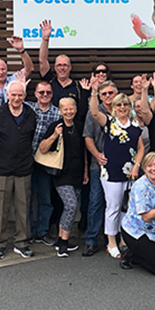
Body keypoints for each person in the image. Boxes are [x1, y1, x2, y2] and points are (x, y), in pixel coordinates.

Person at [89, 75, 144, 259]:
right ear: (114, 107)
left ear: (129, 107)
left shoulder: (135, 125)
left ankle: (123, 239)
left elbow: (140, 148)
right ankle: (111, 242)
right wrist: (94, 92)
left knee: (125, 208)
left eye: (125, 105)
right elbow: (94, 112)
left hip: (129, 173)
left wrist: (137, 165)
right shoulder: (109, 122)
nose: (122, 108)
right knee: (112, 207)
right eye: (118, 105)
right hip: (111, 172)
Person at [0, 81, 37, 260]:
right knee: (1, 208)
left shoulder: (30, 114)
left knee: (23, 207)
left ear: (24, 96)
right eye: (13, 94)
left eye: (20, 95)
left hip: (23, 168)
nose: (16, 98)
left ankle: (22, 243)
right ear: (7, 95)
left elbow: (32, 137)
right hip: (1, 169)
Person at [39, 98, 88, 257]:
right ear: (60, 110)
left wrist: (85, 172)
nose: (68, 112)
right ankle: (63, 243)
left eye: (71, 108)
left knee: (70, 208)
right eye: (65, 109)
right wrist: (54, 135)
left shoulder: (79, 125)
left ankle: (61, 239)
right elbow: (42, 148)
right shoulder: (56, 126)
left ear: (75, 109)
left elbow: (84, 151)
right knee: (71, 205)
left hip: (77, 173)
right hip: (61, 174)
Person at [82, 78, 118, 256]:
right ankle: (91, 239)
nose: (108, 96)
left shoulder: (123, 110)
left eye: (111, 93)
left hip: (120, 165)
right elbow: (87, 137)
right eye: (104, 94)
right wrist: (96, 155)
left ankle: (116, 238)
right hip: (99, 164)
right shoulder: (93, 111)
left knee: (118, 203)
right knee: (96, 201)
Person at [26, 81, 62, 246]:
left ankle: (42, 231)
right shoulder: (27, 108)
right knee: (25, 199)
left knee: (45, 198)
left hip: (46, 162)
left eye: (48, 92)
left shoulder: (58, 113)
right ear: (35, 94)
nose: (45, 95)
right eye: (41, 92)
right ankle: (26, 232)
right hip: (25, 160)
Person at [38, 20, 89, 120]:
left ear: (70, 67)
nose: (62, 68)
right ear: (55, 67)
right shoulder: (50, 81)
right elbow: (42, 60)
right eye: (59, 65)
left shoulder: (78, 86)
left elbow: (82, 111)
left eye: (65, 65)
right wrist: (45, 39)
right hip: (51, 123)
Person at [0, 36, 34, 108]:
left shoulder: (16, 79)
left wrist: (21, 50)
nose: (1, 72)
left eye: (3, 69)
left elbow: (29, 69)